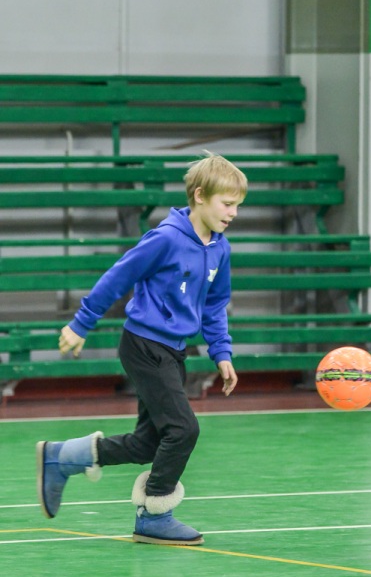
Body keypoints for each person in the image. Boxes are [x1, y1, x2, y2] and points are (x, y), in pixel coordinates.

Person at [36, 153, 248, 546]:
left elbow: (215, 304)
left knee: (148, 442)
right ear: (200, 196)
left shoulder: (220, 248)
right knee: (183, 429)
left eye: (238, 205)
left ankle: (61, 458)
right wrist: (81, 323)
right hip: (144, 345)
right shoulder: (165, 238)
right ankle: (154, 514)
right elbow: (119, 276)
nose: (233, 213)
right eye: (227, 204)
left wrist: (221, 353)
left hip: (173, 351)